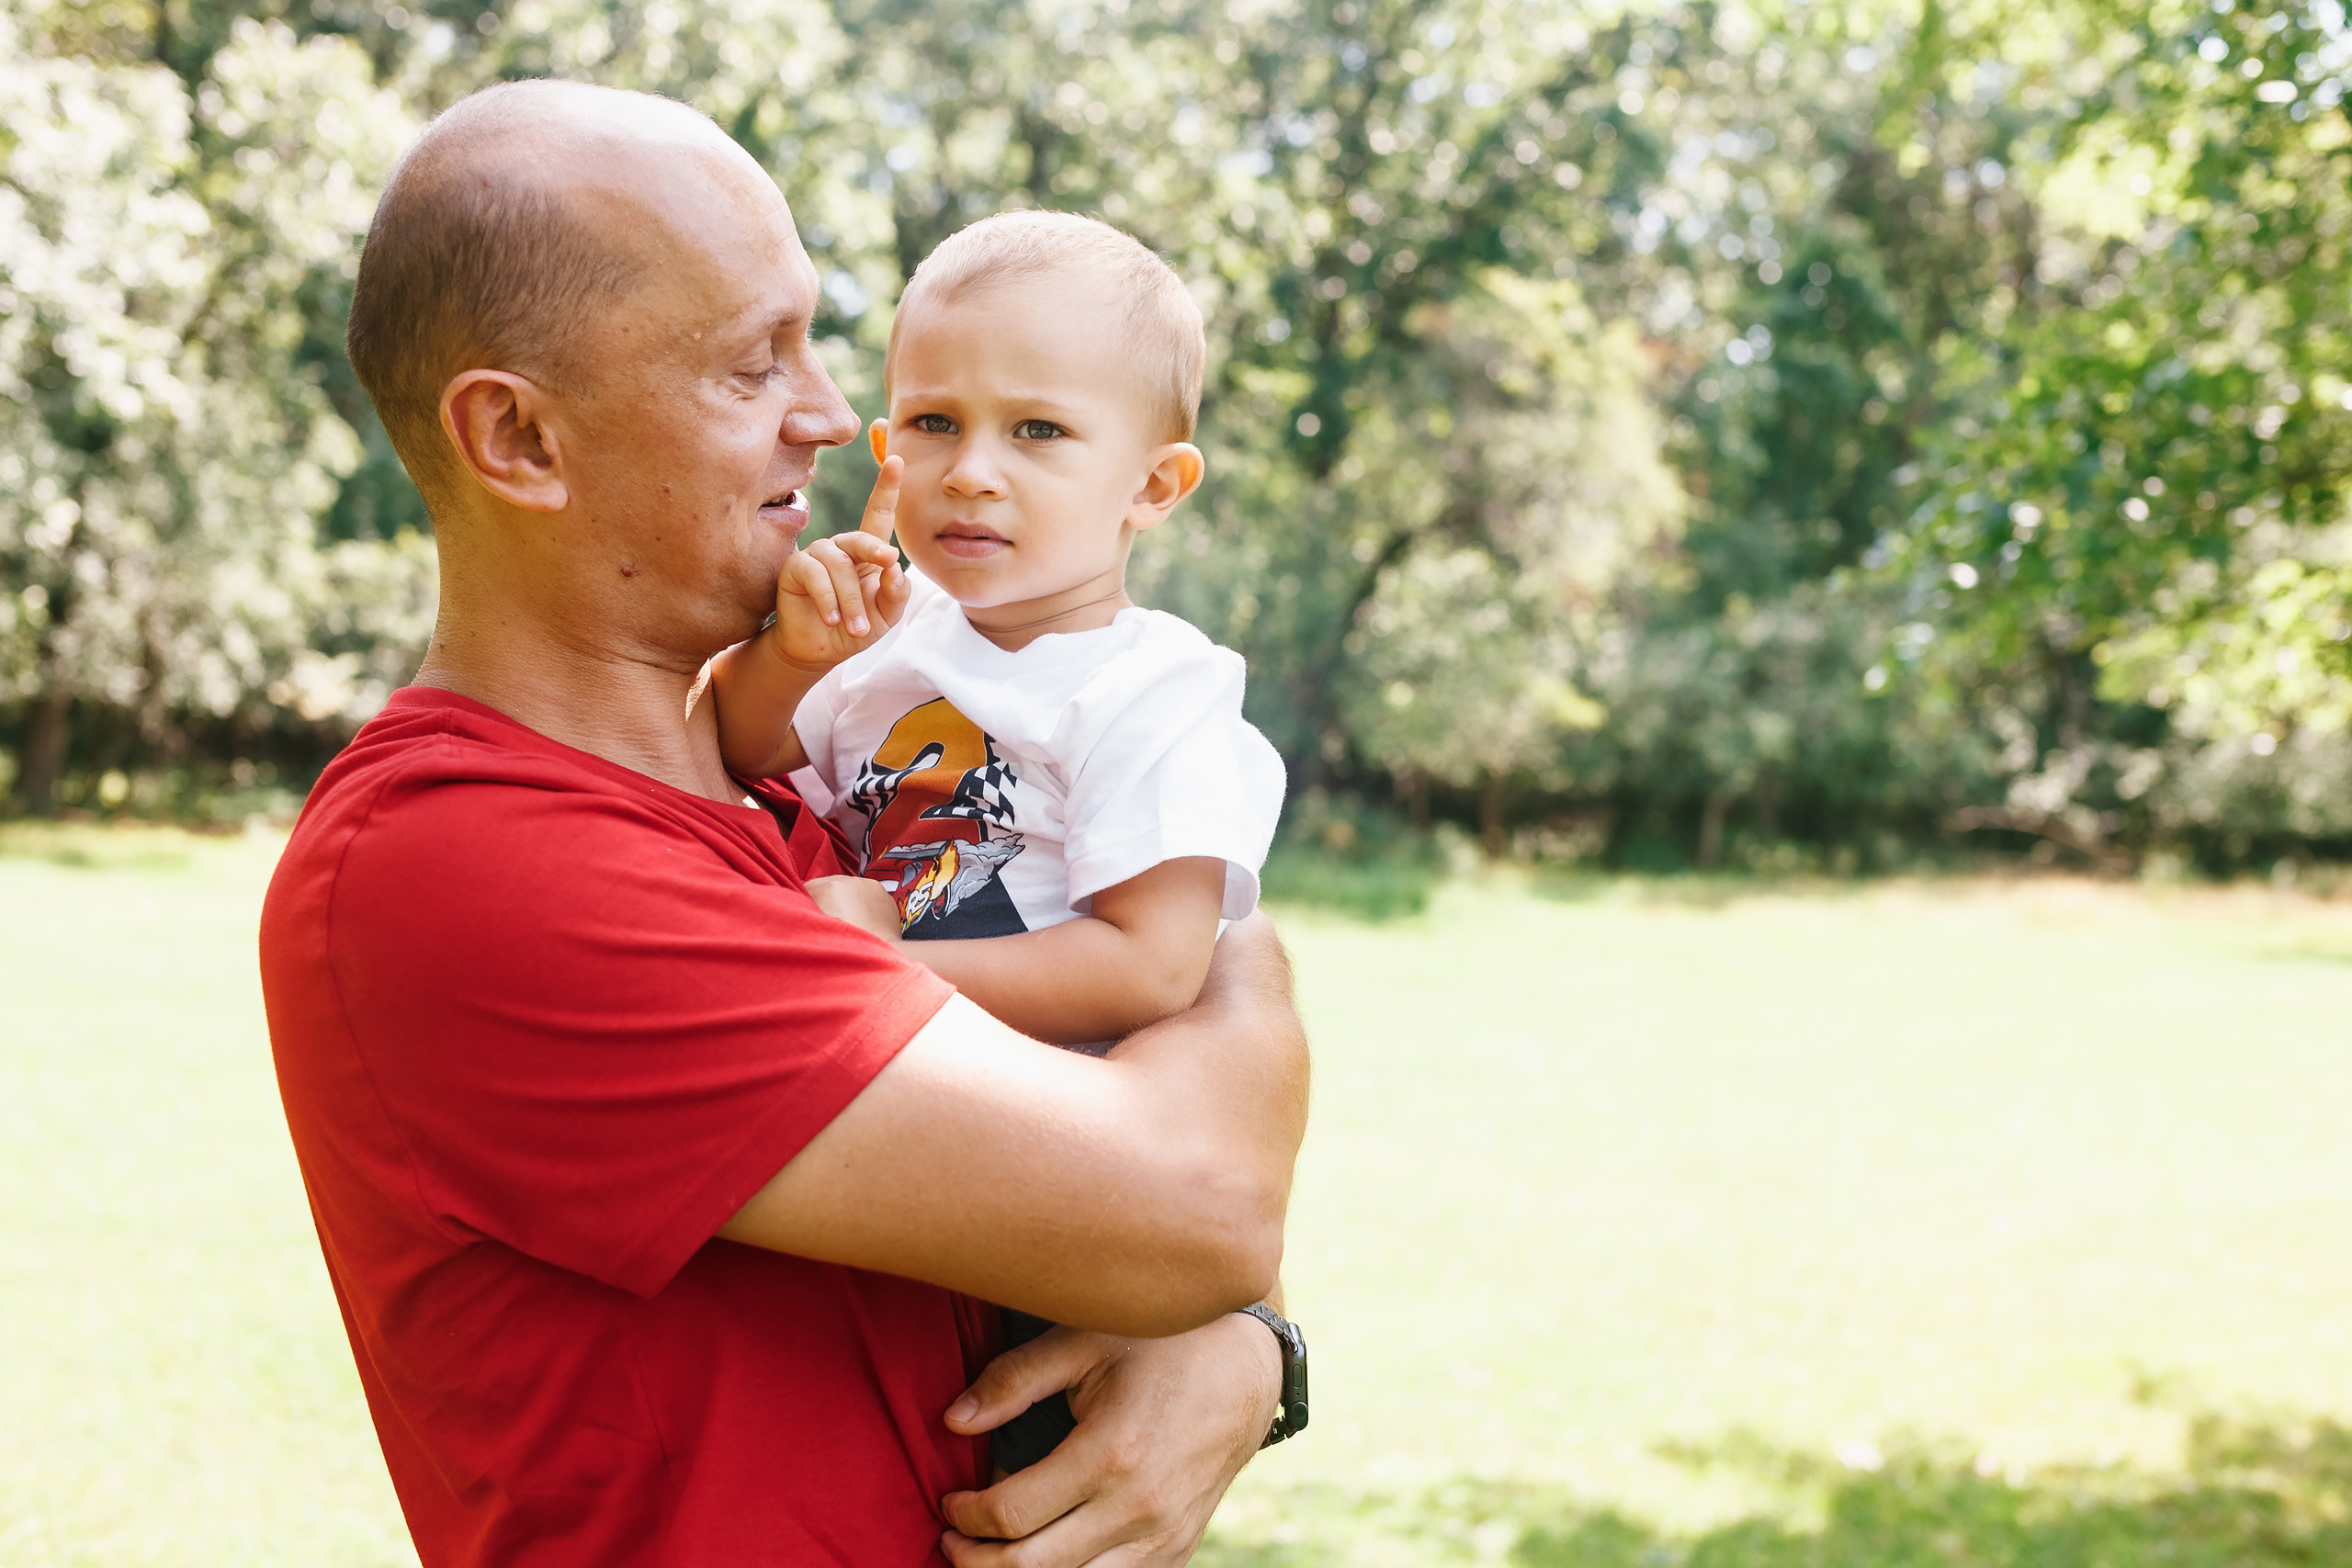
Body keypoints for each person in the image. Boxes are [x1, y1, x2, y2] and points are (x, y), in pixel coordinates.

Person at [258, 78, 1310, 1568]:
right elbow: (1196, 1202)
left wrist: (1242, 1343)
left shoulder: (813, 784)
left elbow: (1142, 1220)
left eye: (816, 345)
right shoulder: (463, 862)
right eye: (756, 366)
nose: (835, 419)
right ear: (520, 441)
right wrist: (1226, 937)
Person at [703, 209, 1287, 1473]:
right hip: (916, 1139)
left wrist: (881, 969)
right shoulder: (886, 638)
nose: (973, 469)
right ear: (884, 447)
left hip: (1075, 1172)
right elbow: (735, 751)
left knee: (1040, 1483)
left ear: (1153, 484)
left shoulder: (1156, 692)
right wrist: (790, 656)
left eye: (1039, 431)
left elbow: (1150, 967)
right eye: (934, 423)